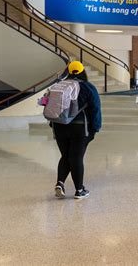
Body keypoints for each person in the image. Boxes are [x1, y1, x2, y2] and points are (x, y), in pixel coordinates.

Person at [53, 61, 101, 199]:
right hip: (80, 128)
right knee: (76, 157)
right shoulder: (87, 87)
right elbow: (95, 109)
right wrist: (95, 128)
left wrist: (53, 126)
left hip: (59, 126)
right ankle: (79, 190)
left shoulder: (59, 86)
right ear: (82, 72)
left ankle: (60, 183)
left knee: (66, 156)